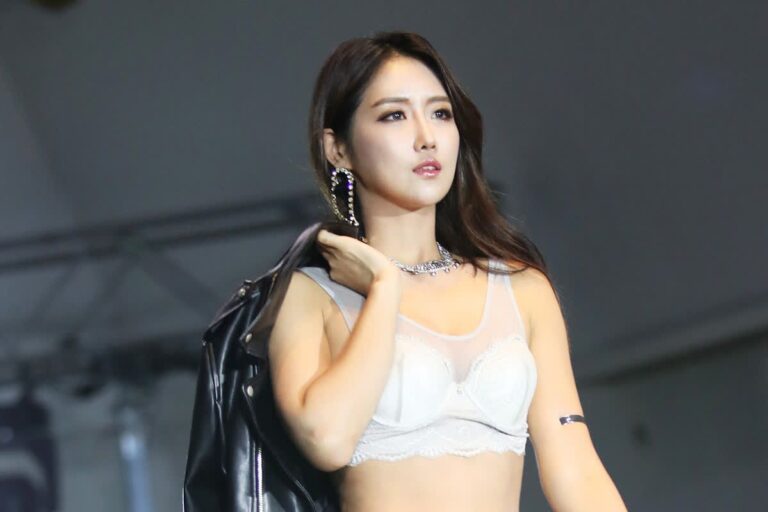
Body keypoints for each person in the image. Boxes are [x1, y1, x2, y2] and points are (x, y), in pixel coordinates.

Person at [183, 31, 628, 512]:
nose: (426, 137)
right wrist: (384, 289)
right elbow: (326, 438)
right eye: (394, 115)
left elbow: (576, 470)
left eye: (440, 113)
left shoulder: (521, 288)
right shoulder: (310, 295)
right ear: (338, 149)